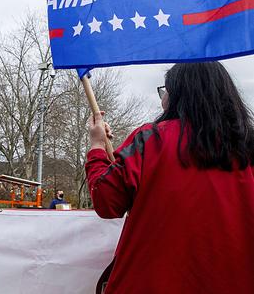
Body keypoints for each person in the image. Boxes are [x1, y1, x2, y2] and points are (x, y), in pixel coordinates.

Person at [86, 62, 254, 293]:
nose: (162, 98)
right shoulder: (248, 146)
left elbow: (106, 200)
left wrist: (96, 148)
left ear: (179, 95)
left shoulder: (150, 139)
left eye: (165, 90)